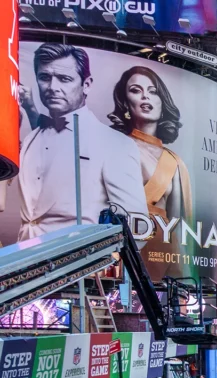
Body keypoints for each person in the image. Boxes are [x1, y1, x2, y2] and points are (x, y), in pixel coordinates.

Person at [4, 43, 148, 240]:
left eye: (64, 79)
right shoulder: (31, 139)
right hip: (25, 264)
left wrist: (101, 265)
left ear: (86, 84)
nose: (53, 88)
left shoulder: (114, 143)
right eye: (45, 77)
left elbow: (136, 228)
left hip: (82, 267)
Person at [107, 65, 193, 278]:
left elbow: (179, 229)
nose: (145, 96)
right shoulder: (112, 146)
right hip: (121, 253)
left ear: (162, 102)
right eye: (136, 90)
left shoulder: (175, 161)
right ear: (126, 102)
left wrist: (183, 277)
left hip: (162, 259)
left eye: (153, 91)